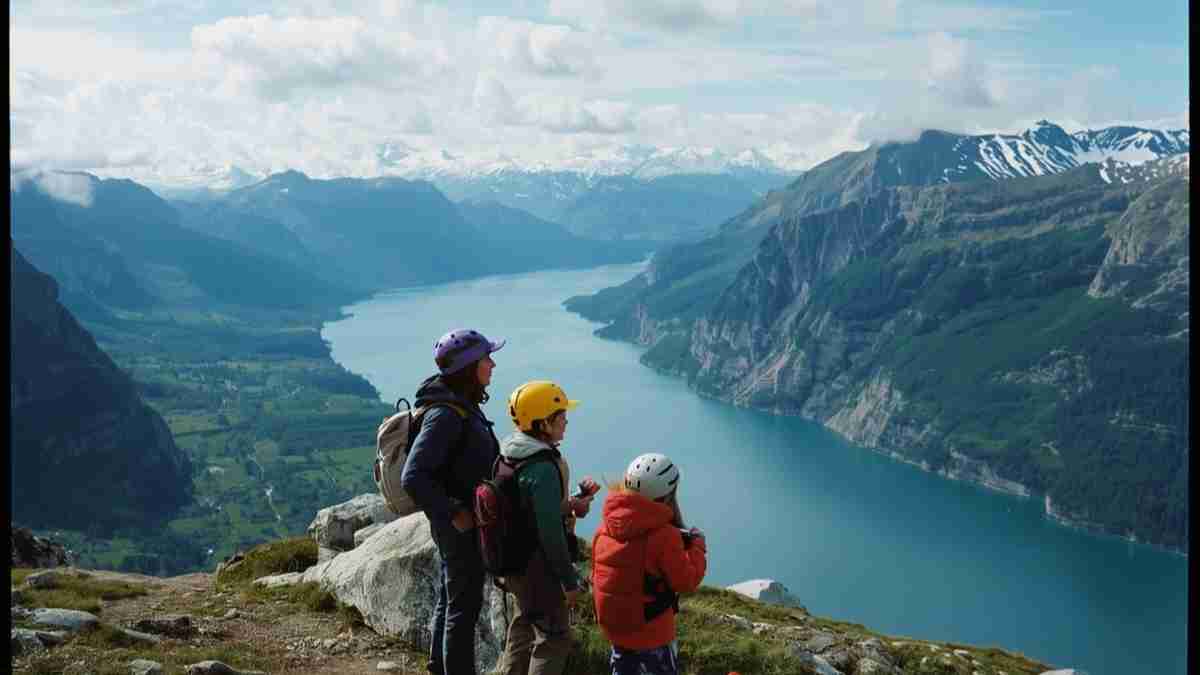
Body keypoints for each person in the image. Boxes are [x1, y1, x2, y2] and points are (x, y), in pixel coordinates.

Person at [401, 328, 505, 675]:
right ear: (468, 367)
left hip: (459, 521)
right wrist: (454, 511)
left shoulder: (459, 404)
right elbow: (413, 476)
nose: (492, 364)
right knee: (464, 605)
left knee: (452, 597)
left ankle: (438, 665)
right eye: (485, 359)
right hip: (459, 524)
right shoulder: (446, 414)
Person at [495, 380, 601, 675]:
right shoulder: (542, 468)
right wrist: (568, 581)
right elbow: (550, 533)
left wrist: (573, 504)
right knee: (554, 638)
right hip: (537, 568)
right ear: (543, 423)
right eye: (560, 416)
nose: (566, 420)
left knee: (523, 626)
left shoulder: (510, 454)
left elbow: (530, 510)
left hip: (514, 563)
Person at [590, 453, 707, 675]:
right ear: (666, 497)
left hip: (618, 636)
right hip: (652, 637)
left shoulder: (606, 529)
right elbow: (687, 581)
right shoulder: (664, 536)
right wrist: (698, 546)